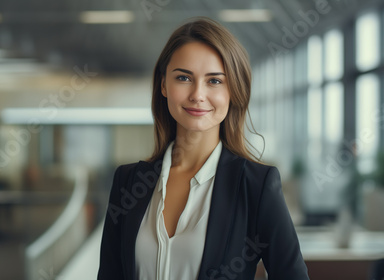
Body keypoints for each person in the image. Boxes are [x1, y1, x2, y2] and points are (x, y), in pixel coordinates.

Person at [98, 17, 309, 280]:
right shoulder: (128, 182)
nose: (197, 94)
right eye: (184, 77)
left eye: (214, 81)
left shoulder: (256, 187)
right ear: (164, 85)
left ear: (233, 90)